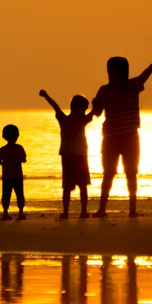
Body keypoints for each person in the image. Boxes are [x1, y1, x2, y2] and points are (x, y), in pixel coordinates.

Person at [92, 40, 152, 218]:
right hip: (111, 137)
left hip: (130, 136)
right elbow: (97, 113)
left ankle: (132, 209)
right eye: (108, 69)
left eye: (112, 70)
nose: (109, 73)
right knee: (109, 173)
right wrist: (95, 104)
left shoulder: (133, 85)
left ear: (121, 71)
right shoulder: (104, 90)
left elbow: (150, 70)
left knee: (131, 172)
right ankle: (102, 209)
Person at [39, 90, 94, 219]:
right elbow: (55, 106)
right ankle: (66, 211)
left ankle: (83, 211)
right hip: (70, 157)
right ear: (75, 108)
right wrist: (46, 96)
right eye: (83, 109)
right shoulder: (65, 119)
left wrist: (99, 104)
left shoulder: (81, 120)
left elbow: (94, 112)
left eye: (86, 110)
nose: (85, 112)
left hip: (80, 156)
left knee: (83, 186)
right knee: (68, 187)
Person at [0, 124, 27, 221]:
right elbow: (24, 159)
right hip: (17, 176)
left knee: (6, 194)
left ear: (4, 136)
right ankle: (20, 213)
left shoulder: (3, 149)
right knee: (19, 194)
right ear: (17, 135)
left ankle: (6, 213)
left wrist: (5, 163)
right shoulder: (19, 148)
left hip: (7, 176)